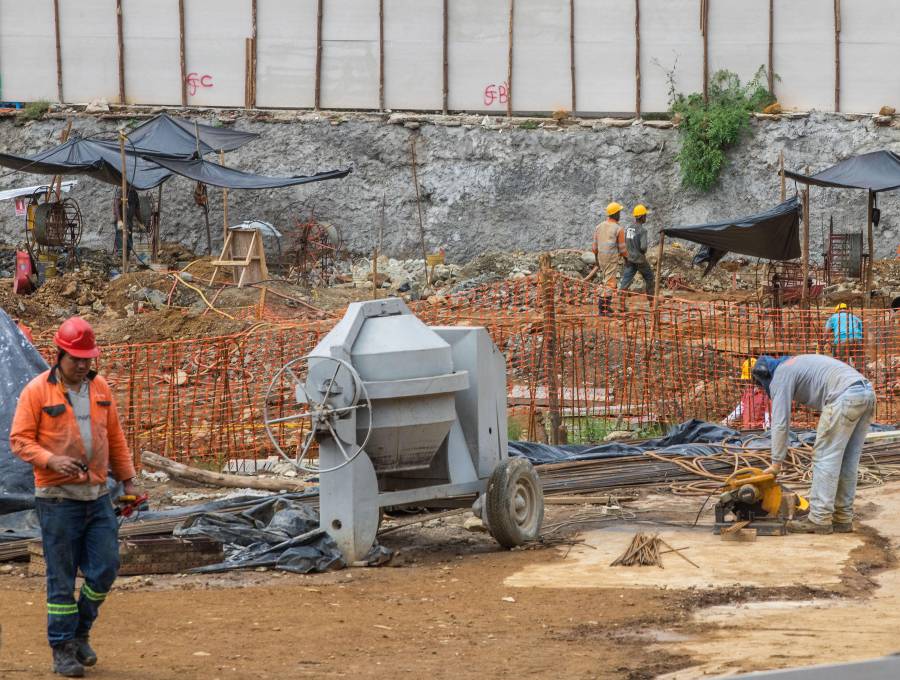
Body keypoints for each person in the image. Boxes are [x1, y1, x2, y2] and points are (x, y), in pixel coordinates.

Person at [10, 317, 137, 677]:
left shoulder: (100, 389)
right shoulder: (37, 391)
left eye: (87, 359)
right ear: (59, 355)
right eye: (76, 359)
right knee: (62, 576)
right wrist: (52, 460)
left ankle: (81, 629)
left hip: (97, 495)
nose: (83, 365)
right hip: (57, 498)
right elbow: (20, 440)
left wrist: (129, 482)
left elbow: (115, 439)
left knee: (106, 568)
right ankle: (63, 648)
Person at [751, 354, 876, 535]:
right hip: (867, 394)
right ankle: (842, 518)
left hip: (844, 396)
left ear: (765, 376)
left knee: (825, 456)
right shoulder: (795, 363)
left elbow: (780, 423)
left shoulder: (780, 374)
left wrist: (776, 463)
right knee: (848, 460)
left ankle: (819, 519)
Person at [592, 202, 624, 315]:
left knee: (605, 281)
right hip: (611, 259)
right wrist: (627, 258)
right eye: (619, 212)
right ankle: (603, 309)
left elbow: (594, 247)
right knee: (610, 284)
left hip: (601, 258)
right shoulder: (618, 229)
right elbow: (622, 248)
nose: (620, 214)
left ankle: (606, 306)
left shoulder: (598, 227)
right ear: (615, 214)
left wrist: (597, 260)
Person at [617, 204, 655, 297]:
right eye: (645, 216)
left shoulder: (629, 228)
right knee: (649, 277)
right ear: (642, 217)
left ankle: (621, 305)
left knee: (626, 280)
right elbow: (643, 247)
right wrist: (642, 253)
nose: (646, 218)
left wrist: (627, 256)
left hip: (629, 259)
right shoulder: (642, 230)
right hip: (639, 259)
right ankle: (651, 302)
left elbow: (625, 243)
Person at [723, 358, 770, 429]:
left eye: (748, 379)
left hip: (760, 432)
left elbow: (768, 415)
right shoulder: (748, 390)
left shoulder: (767, 393)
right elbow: (741, 407)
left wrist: (767, 430)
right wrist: (727, 420)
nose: (746, 382)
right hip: (747, 430)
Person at [824, 303, 864, 368]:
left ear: (837, 310)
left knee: (842, 364)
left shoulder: (833, 317)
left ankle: (844, 375)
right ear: (847, 310)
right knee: (859, 362)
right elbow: (863, 329)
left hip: (842, 340)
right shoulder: (854, 317)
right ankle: (859, 375)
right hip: (857, 340)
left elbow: (827, 332)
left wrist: (824, 341)